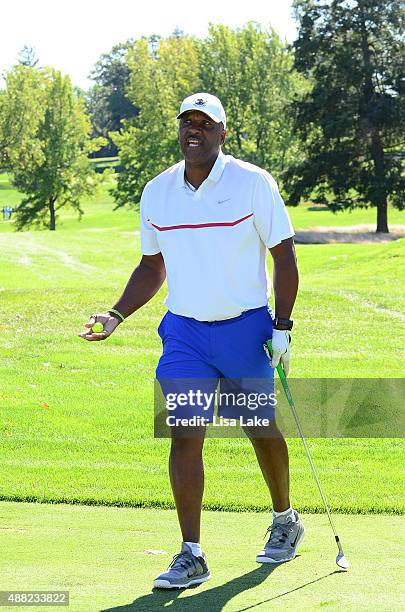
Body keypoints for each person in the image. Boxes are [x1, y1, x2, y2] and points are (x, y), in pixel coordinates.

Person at [80, 92, 304, 590]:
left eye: (205, 123)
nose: (194, 130)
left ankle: (285, 518)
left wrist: (282, 327)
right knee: (186, 432)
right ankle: (191, 553)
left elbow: (284, 256)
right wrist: (117, 314)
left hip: (245, 326)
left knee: (259, 428)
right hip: (184, 333)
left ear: (223, 133)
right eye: (187, 123)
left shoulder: (253, 183)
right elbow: (151, 265)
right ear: (179, 130)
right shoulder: (157, 192)